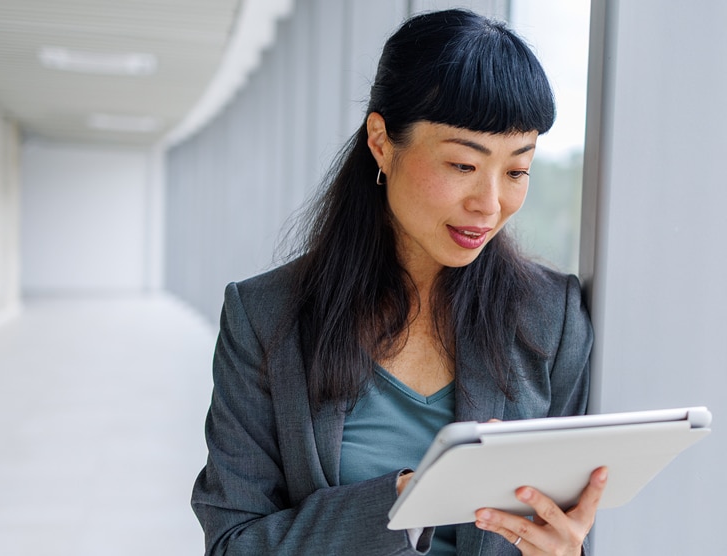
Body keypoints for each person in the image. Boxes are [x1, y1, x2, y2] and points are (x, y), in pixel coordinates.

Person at [191, 8, 605, 555]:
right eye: (462, 165)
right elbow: (233, 544)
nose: (489, 204)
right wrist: (413, 500)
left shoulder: (551, 319)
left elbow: (568, 524)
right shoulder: (266, 317)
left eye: (516, 171)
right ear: (382, 141)